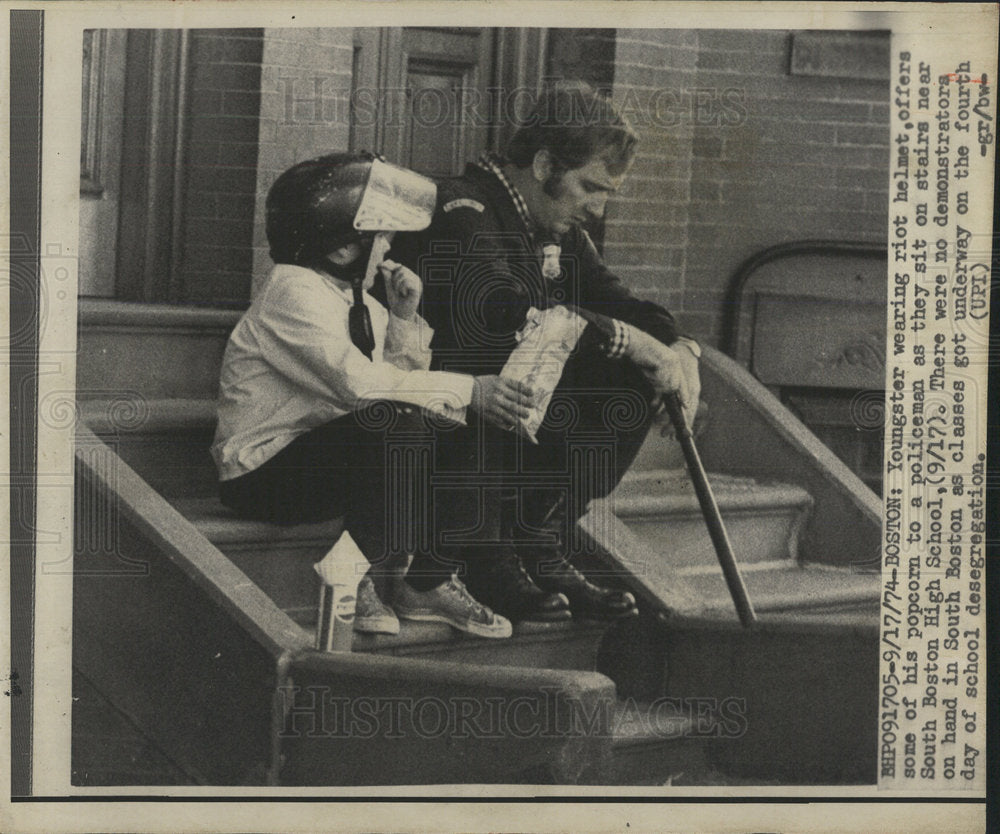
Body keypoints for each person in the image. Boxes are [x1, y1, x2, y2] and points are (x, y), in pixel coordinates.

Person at [210, 152, 571, 641]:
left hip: (336, 462)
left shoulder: (358, 300)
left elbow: (394, 385)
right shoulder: (291, 292)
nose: (389, 248)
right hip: (263, 474)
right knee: (406, 419)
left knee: (464, 423)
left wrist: (402, 321)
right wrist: (469, 388)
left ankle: (426, 579)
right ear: (343, 248)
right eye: (380, 238)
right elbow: (360, 387)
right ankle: (354, 572)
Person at [390, 85, 702, 622]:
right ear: (542, 165)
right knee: (506, 364)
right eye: (591, 188)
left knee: (634, 376)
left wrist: (682, 353)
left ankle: (540, 540)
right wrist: (633, 342)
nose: (597, 209)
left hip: (493, 425)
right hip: (422, 419)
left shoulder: (553, 227)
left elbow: (632, 309)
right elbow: (499, 314)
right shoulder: (465, 207)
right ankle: (484, 553)